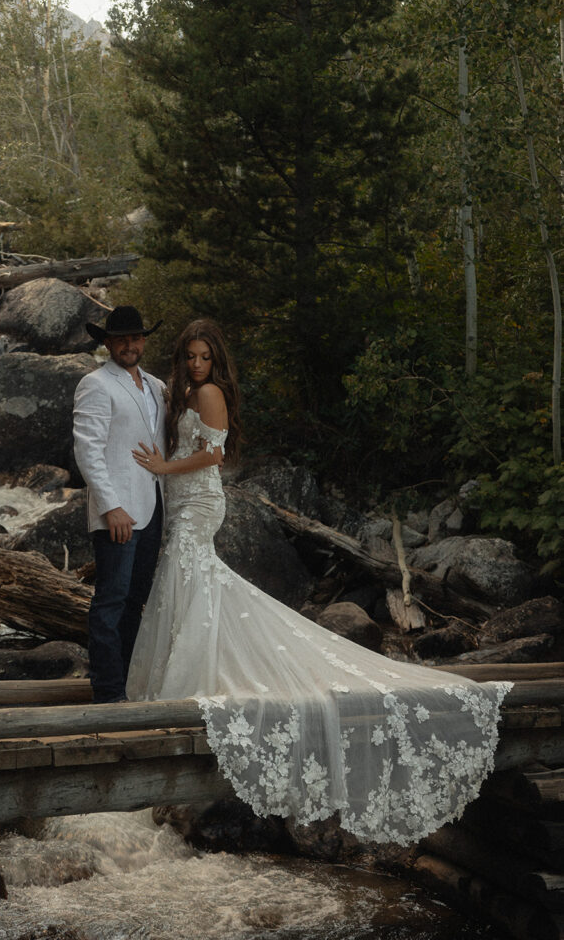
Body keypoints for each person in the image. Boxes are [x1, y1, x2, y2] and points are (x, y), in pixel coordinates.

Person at [126, 317, 513, 844]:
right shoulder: (183, 391)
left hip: (198, 500)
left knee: (192, 577)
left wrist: (163, 470)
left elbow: (214, 455)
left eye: (204, 357)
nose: (197, 364)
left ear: (216, 360)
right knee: (186, 582)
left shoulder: (211, 393)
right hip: (181, 500)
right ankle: (189, 671)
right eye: (190, 356)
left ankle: (198, 677)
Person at [73, 305, 166, 703]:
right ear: (108, 343)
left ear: (144, 340)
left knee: (135, 600)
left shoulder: (157, 385)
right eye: (121, 339)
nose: (129, 345)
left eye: (136, 337)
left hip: (153, 504)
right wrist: (110, 506)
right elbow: (87, 450)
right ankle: (108, 692)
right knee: (110, 600)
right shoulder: (95, 384)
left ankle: (128, 681)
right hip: (119, 512)